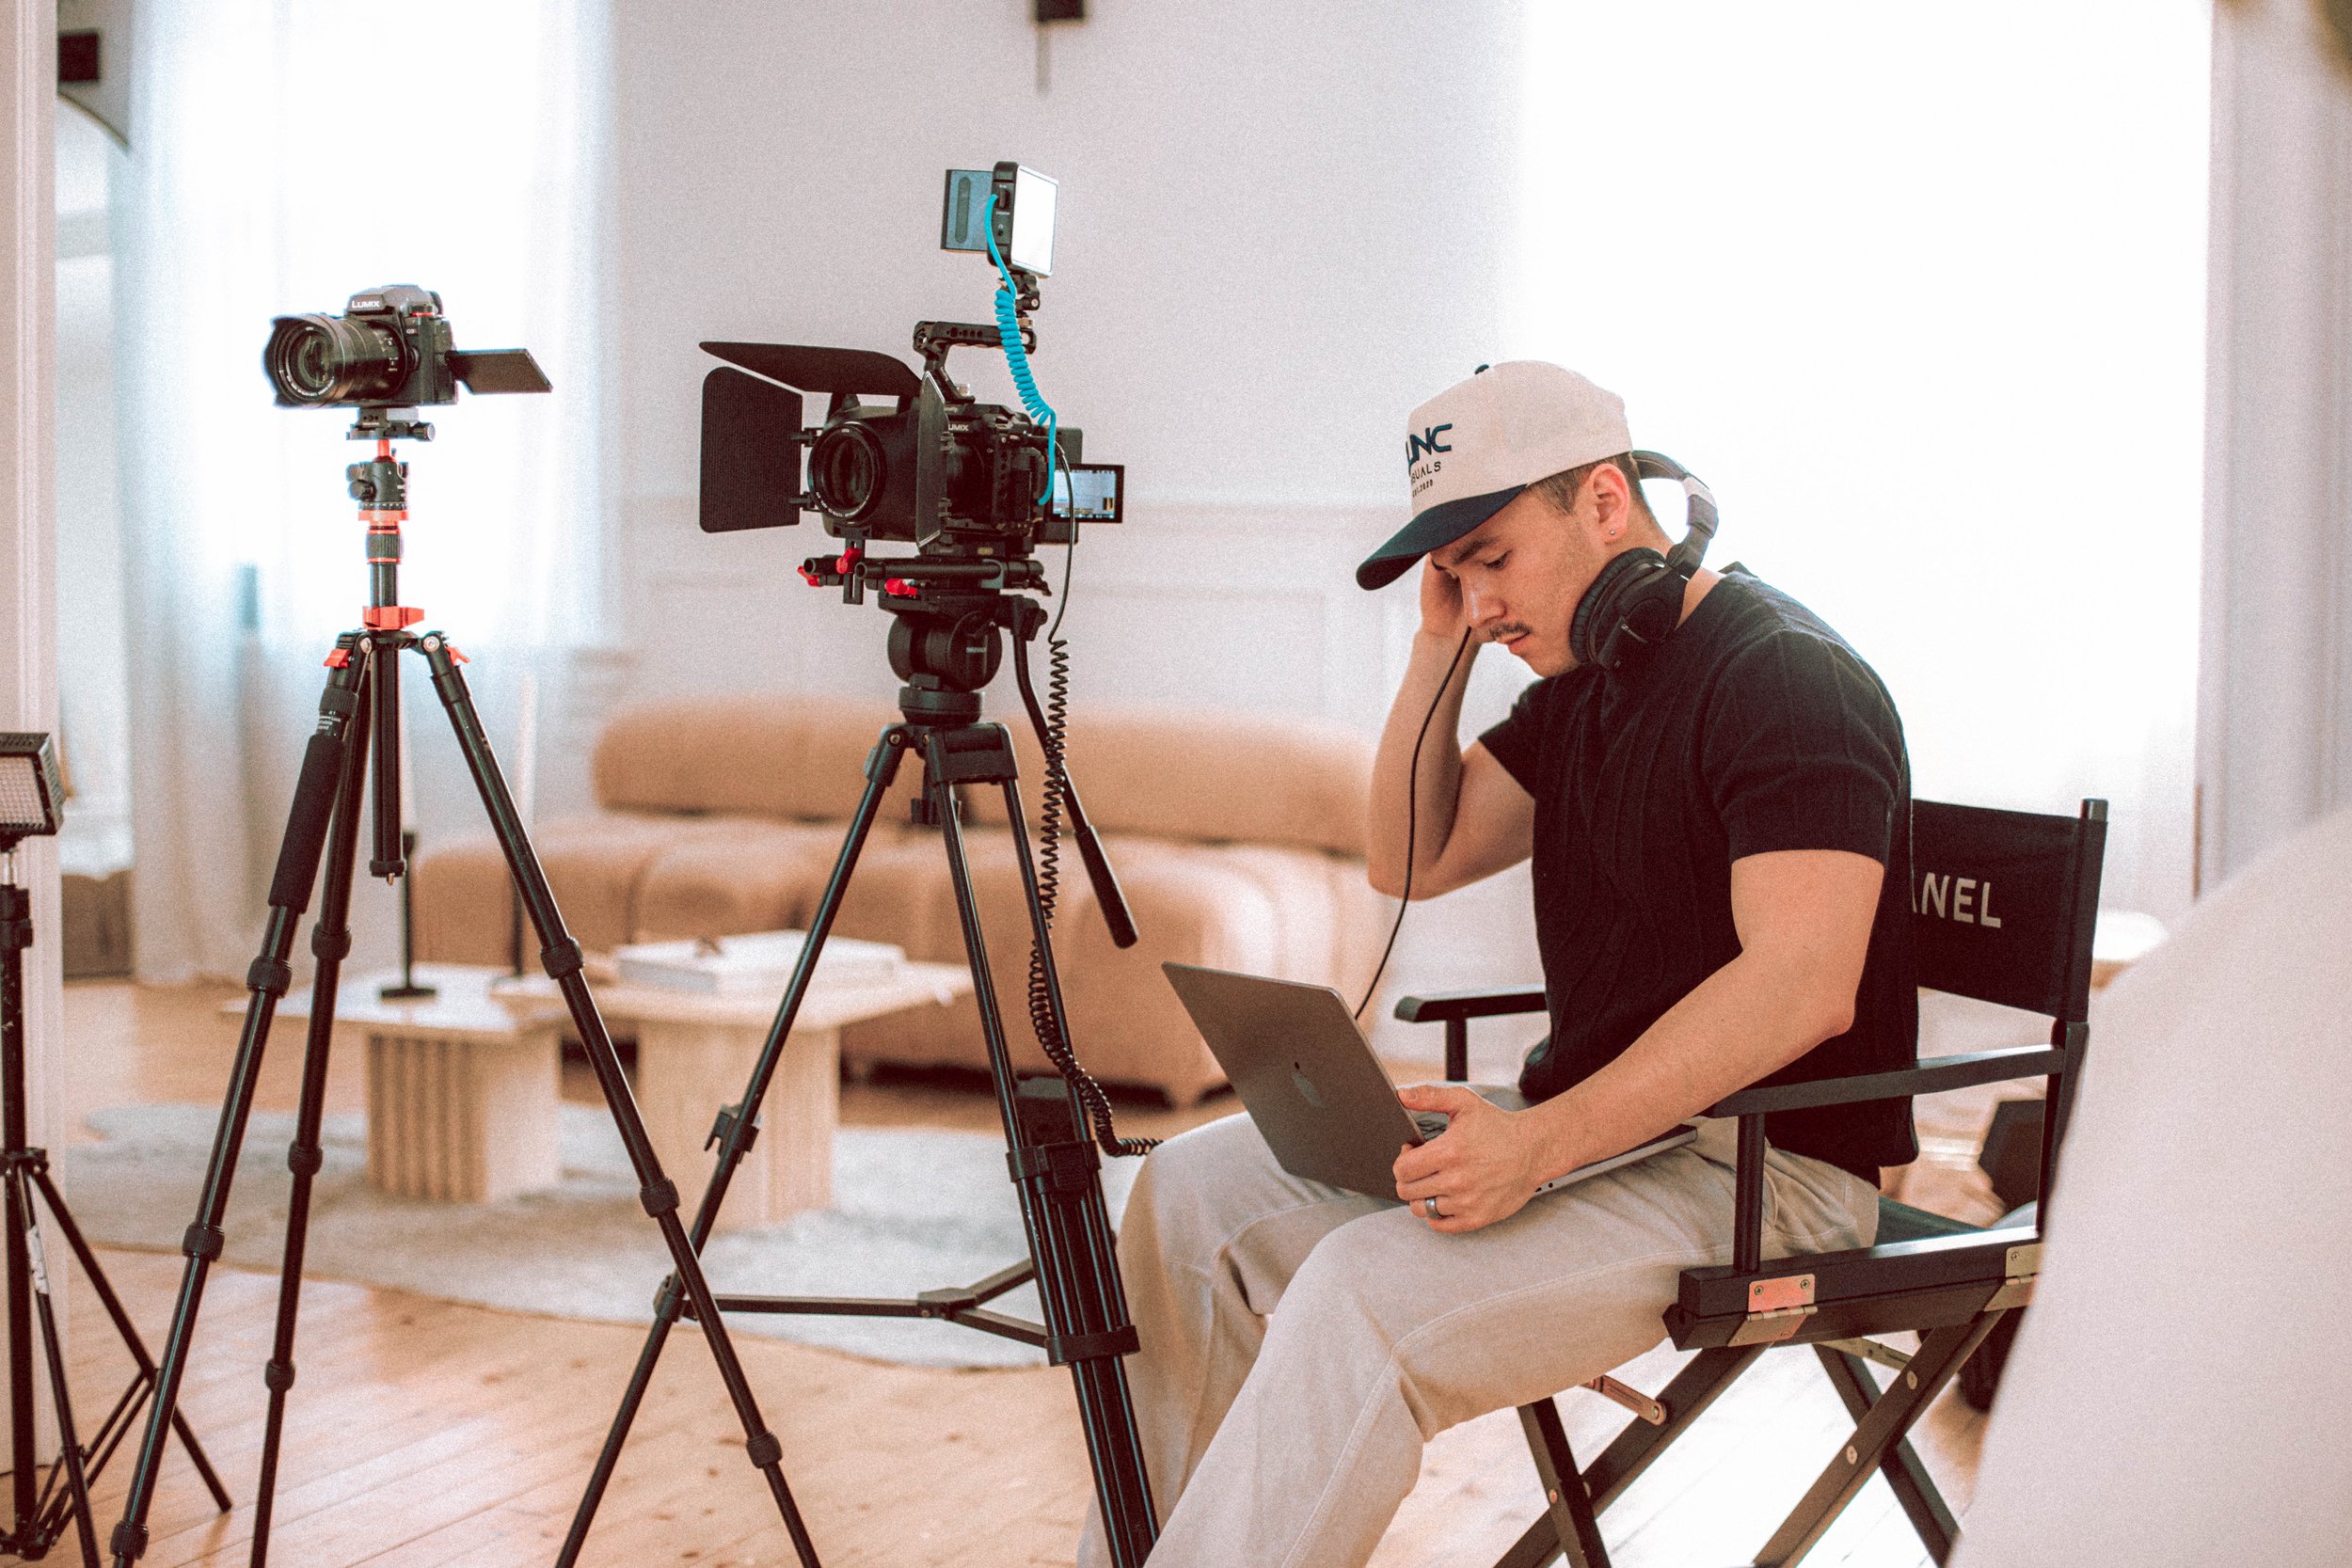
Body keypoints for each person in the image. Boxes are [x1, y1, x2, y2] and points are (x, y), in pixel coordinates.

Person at [1077, 362, 1916, 1568]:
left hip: (1766, 1169)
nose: (1478, 599)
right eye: (1452, 572)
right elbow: (1410, 853)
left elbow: (1801, 983)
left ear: (1606, 504)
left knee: (1362, 1287)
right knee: (1192, 1195)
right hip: (1611, 1134)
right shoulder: (1584, 675)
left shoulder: (1785, 679)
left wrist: (1537, 1143)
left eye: (1492, 557)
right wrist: (1437, 655)